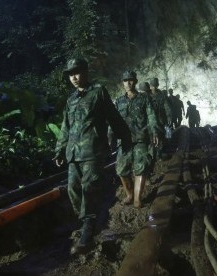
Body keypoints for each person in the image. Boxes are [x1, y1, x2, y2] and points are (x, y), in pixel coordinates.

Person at [54, 58, 131, 254]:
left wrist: (125, 137)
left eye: (77, 72)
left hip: (93, 150)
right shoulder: (70, 100)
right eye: (71, 74)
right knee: (73, 189)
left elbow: (113, 116)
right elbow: (65, 127)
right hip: (73, 153)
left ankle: (88, 230)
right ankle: (88, 222)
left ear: (86, 72)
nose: (74, 77)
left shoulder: (98, 92)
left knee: (89, 188)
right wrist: (59, 150)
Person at [113, 71, 158, 208]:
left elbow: (151, 115)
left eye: (131, 80)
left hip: (140, 138)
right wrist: (110, 136)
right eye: (126, 80)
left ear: (136, 81)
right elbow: (114, 121)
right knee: (121, 169)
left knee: (141, 167)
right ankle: (130, 194)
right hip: (124, 141)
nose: (128, 83)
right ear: (123, 83)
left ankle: (137, 199)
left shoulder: (144, 98)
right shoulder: (119, 101)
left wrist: (154, 131)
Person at [148, 78, 172, 159]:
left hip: (160, 119)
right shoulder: (146, 95)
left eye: (155, 86)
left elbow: (166, 106)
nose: (153, 88)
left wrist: (169, 116)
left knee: (160, 137)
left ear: (157, 86)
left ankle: (159, 154)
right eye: (152, 86)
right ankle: (151, 155)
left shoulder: (161, 95)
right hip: (149, 121)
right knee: (151, 138)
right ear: (150, 86)